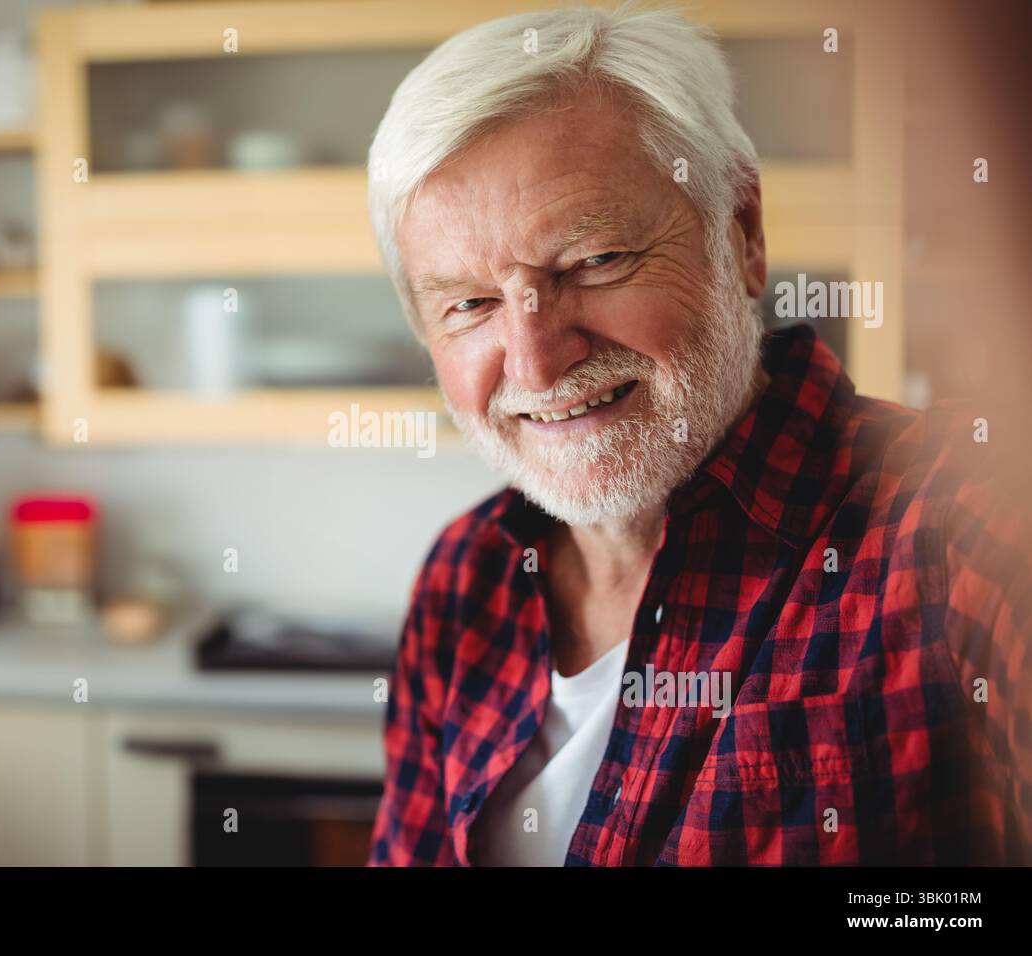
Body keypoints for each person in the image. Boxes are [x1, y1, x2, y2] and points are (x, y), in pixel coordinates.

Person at [365, 6, 1031, 865]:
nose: (534, 363)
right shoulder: (466, 578)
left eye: (596, 261)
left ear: (743, 233)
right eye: (471, 304)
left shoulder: (965, 526)